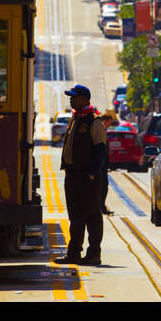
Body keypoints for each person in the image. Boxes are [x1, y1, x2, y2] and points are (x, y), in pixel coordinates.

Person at [53, 85, 106, 265]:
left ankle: (93, 254)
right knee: (75, 216)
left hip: (87, 177)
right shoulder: (74, 119)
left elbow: (100, 151)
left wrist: (92, 174)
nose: (71, 99)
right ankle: (73, 253)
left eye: (74, 97)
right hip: (72, 175)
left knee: (92, 216)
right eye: (70, 96)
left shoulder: (94, 122)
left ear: (84, 99)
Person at [99, 111, 117, 215]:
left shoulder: (102, 130)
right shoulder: (100, 131)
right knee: (102, 187)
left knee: (103, 187)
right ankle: (101, 207)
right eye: (109, 123)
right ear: (105, 121)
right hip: (100, 166)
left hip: (103, 165)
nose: (109, 126)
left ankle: (101, 206)